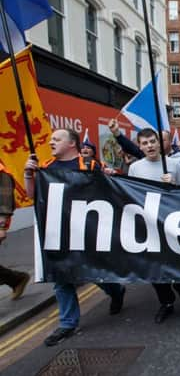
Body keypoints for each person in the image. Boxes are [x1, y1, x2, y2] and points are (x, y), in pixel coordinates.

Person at [24, 129, 125, 346]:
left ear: (72, 143)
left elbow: (106, 194)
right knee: (61, 277)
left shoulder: (89, 165)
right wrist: (28, 175)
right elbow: (33, 196)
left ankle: (116, 290)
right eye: (51, 139)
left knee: (94, 271)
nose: (51, 142)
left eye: (56, 139)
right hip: (58, 232)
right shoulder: (46, 167)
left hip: (87, 230)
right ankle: (68, 323)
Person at [127, 128, 180, 323]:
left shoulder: (174, 165)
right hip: (148, 225)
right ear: (140, 146)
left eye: (152, 141)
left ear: (159, 143)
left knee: (176, 262)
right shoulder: (135, 168)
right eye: (145, 143)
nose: (150, 146)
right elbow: (130, 194)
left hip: (171, 223)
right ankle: (167, 302)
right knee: (154, 267)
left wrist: (173, 185)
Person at [0, 162, 30, 300]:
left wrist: (1, 226)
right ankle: (16, 280)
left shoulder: (2, 172)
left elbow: (6, 199)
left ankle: (16, 279)